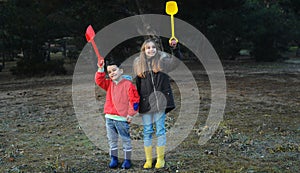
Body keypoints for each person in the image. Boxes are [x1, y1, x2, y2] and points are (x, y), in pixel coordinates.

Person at [133, 38, 183, 169]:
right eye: (148, 48)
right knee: (147, 131)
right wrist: (136, 103)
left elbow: (176, 62)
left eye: (153, 47)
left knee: (160, 130)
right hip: (146, 104)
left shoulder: (163, 62)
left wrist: (175, 48)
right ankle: (149, 160)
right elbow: (137, 87)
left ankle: (160, 158)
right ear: (143, 51)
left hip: (160, 102)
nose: (151, 50)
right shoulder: (139, 66)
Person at [95, 58, 140, 169]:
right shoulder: (109, 84)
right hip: (109, 118)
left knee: (125, 139)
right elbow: (99, 81)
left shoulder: (128, 85)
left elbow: (134, 101)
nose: (112, 73)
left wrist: (130, 114)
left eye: (114, 70)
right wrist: (100, 68)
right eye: (109, 72)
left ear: (121, 71)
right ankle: (114, 159)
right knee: (112, 139)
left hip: (121, 119)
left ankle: (127, 160)